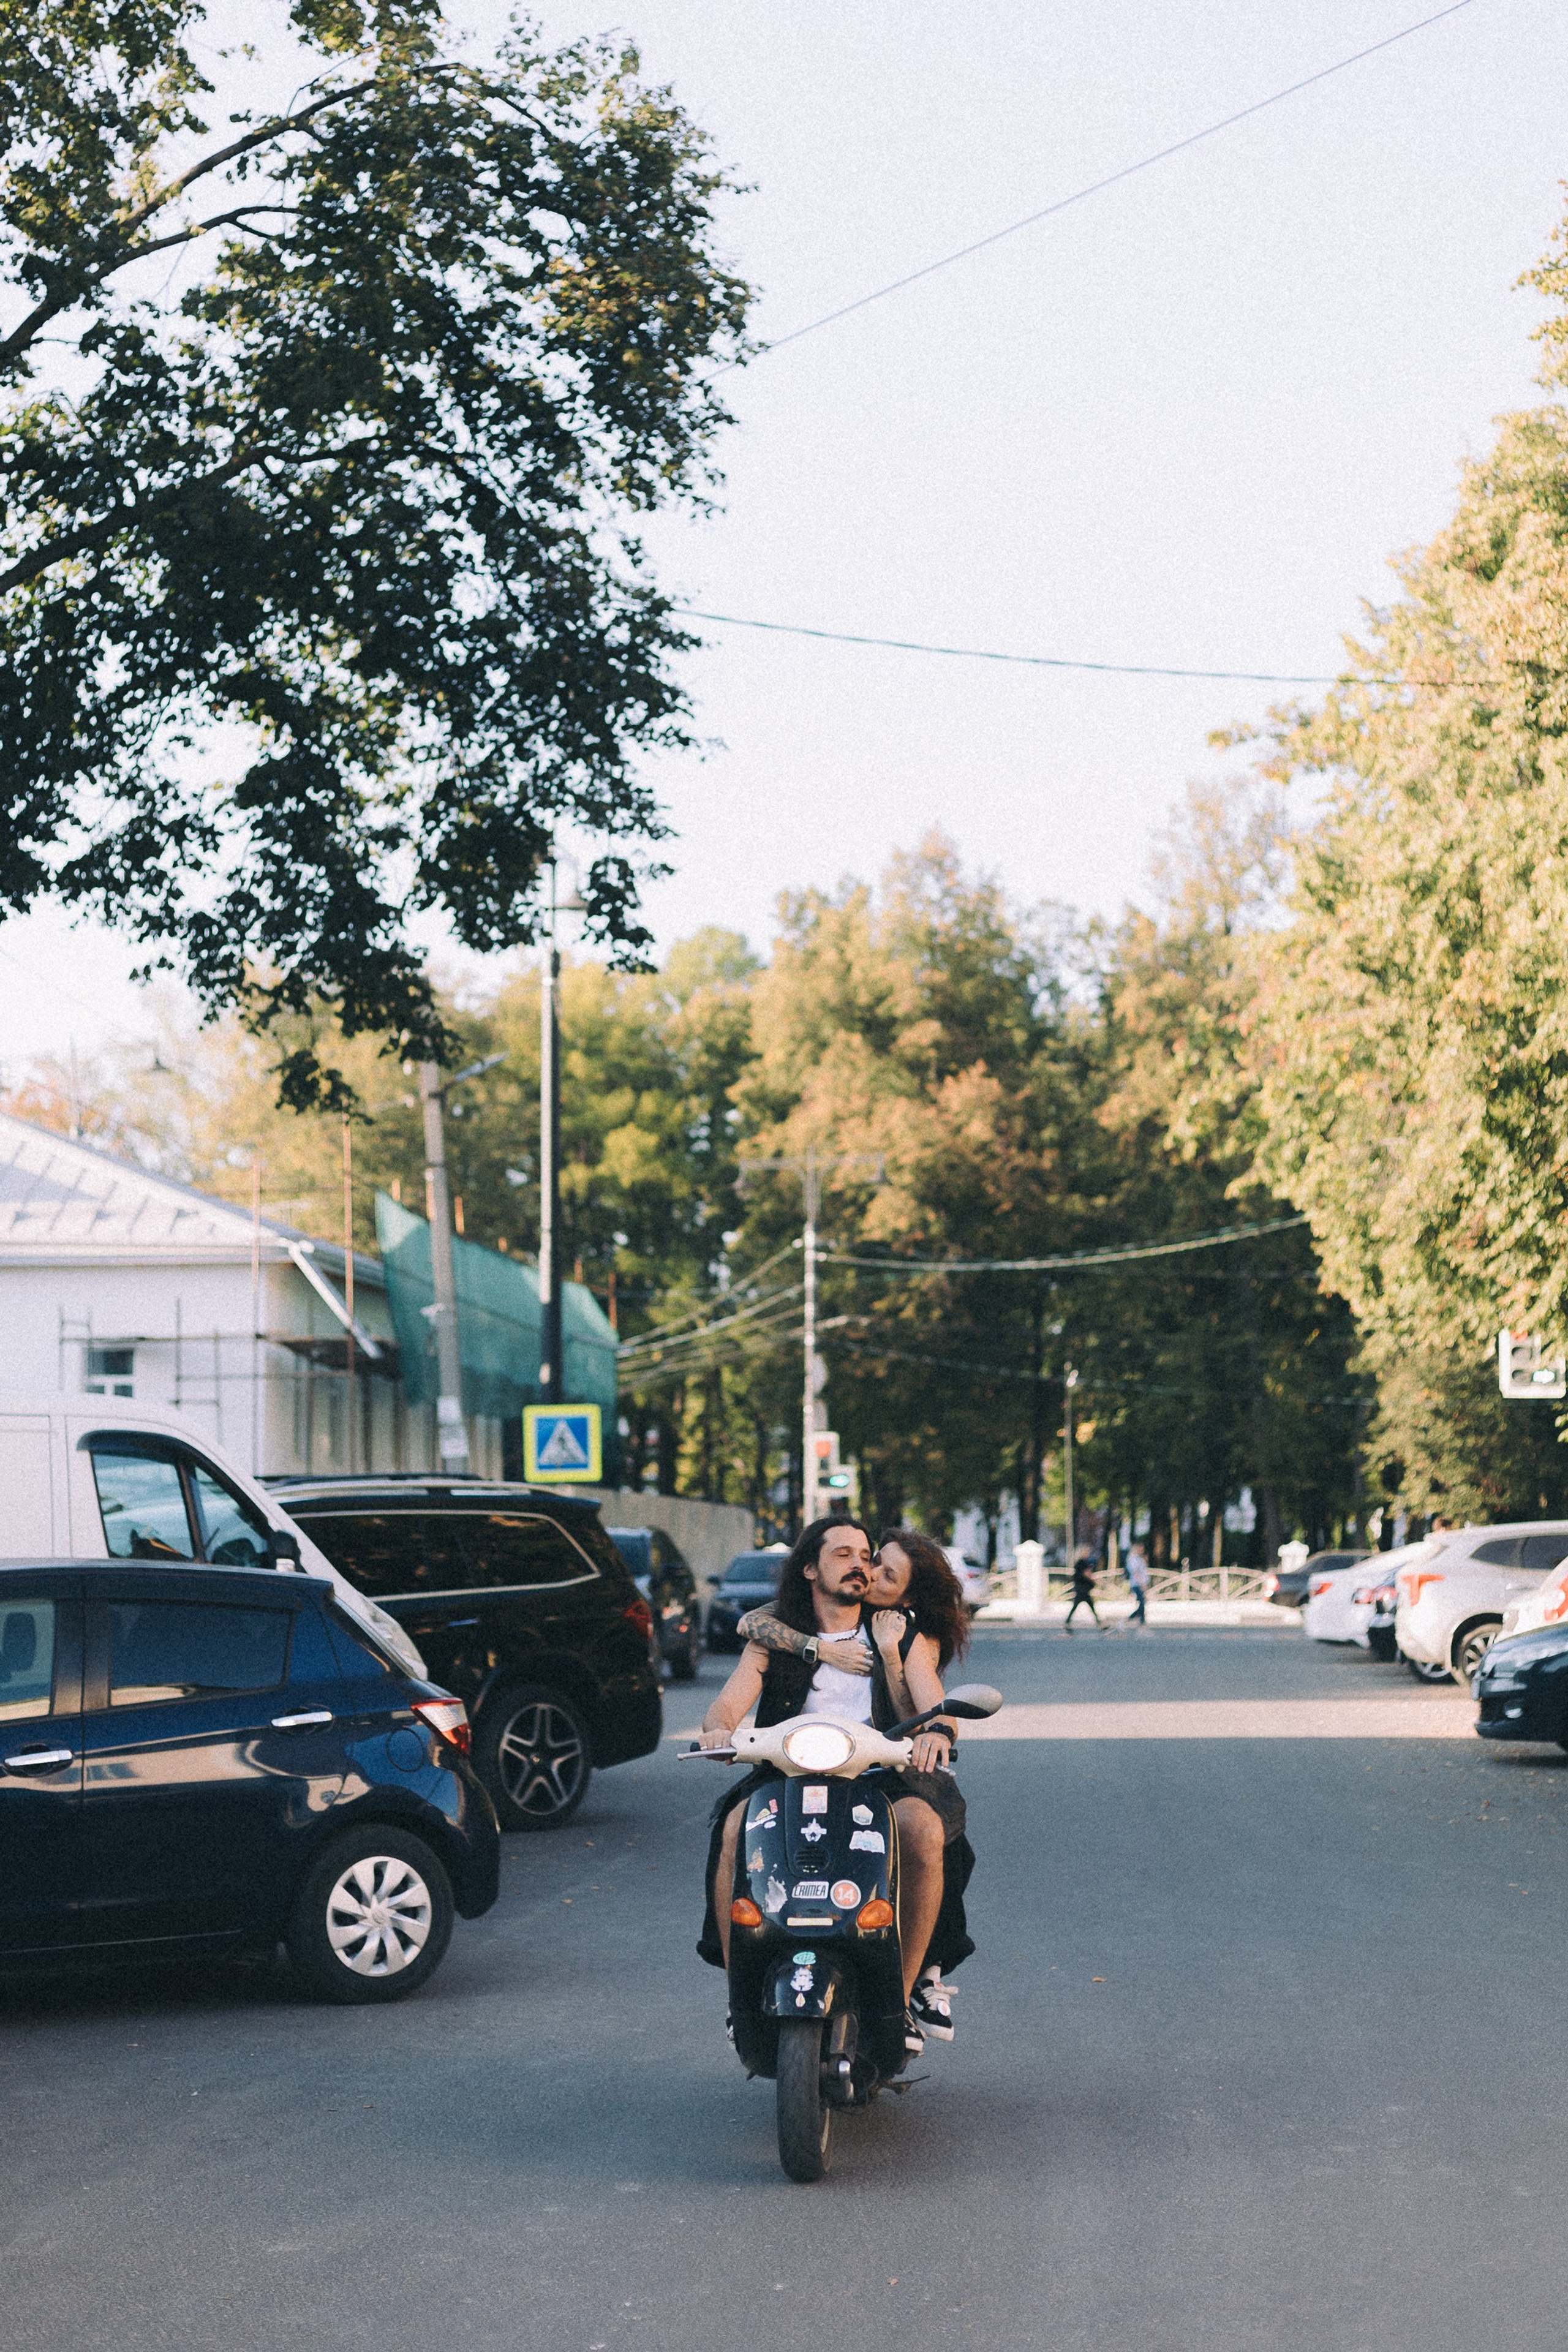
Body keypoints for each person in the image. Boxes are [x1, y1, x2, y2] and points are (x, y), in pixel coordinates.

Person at [696, 1517, 961, 2046]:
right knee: (732, 1831)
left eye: (866, 1555)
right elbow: (727, 1703)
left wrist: (937, 1731)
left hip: (879, 1776)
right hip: (787, 1772)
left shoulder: (894, 1629)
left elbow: (936, 1705)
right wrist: (718, 1731)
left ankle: (900, 1998)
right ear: (811, 1568)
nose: (860, 1564)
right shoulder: (777, 1633)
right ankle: (740, 1997)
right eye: (844, 1554)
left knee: (924, 1830)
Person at [1064, 1549, 1100, 1632]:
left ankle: (1067, 1622)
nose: (1088, 1553)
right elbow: (1087, 1574)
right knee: (1089, 1606)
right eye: (1087, 1552)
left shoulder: (1079, 1563)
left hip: (1081, 1588)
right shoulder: (1082, 1563)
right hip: (1082, 1589)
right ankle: (1099, 1623)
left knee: (1083, 1606)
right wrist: (1094, 1581)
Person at [1124, 1539, 1150, 1629]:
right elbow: (1135, 1572)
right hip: (1137, 1583)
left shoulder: (1139, 1558)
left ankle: (1142, 1621)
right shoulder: (1133, 1559)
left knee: (1143, 1602)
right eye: (1141, 1548)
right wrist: (1142, 1583)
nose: (1142, 1550)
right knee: (1142, 1602)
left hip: (1140, 1583)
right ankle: (1131, 1619)